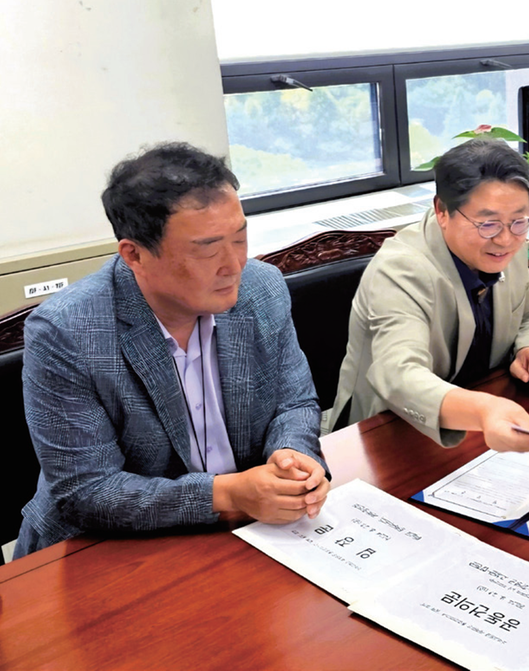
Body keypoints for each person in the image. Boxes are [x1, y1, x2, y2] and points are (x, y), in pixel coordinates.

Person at [16, 143, 329, 558]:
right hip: (103, 552)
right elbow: (87, 491)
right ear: (135, 254)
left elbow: (294, 401)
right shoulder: (68, 331)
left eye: (240, 238)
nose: (233, 265)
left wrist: (291, 456)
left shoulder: (262, 287)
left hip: (246, 535)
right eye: (207, 248)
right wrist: (229, 493)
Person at [329, 138, 529, 452]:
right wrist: (483, 411)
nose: (505, 239)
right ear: (442, 211)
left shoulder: (509, 243)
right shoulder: (400, 269)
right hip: (391, 433)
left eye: (519, 221)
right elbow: (397, 374)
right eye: (488, 223)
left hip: (479, 425)